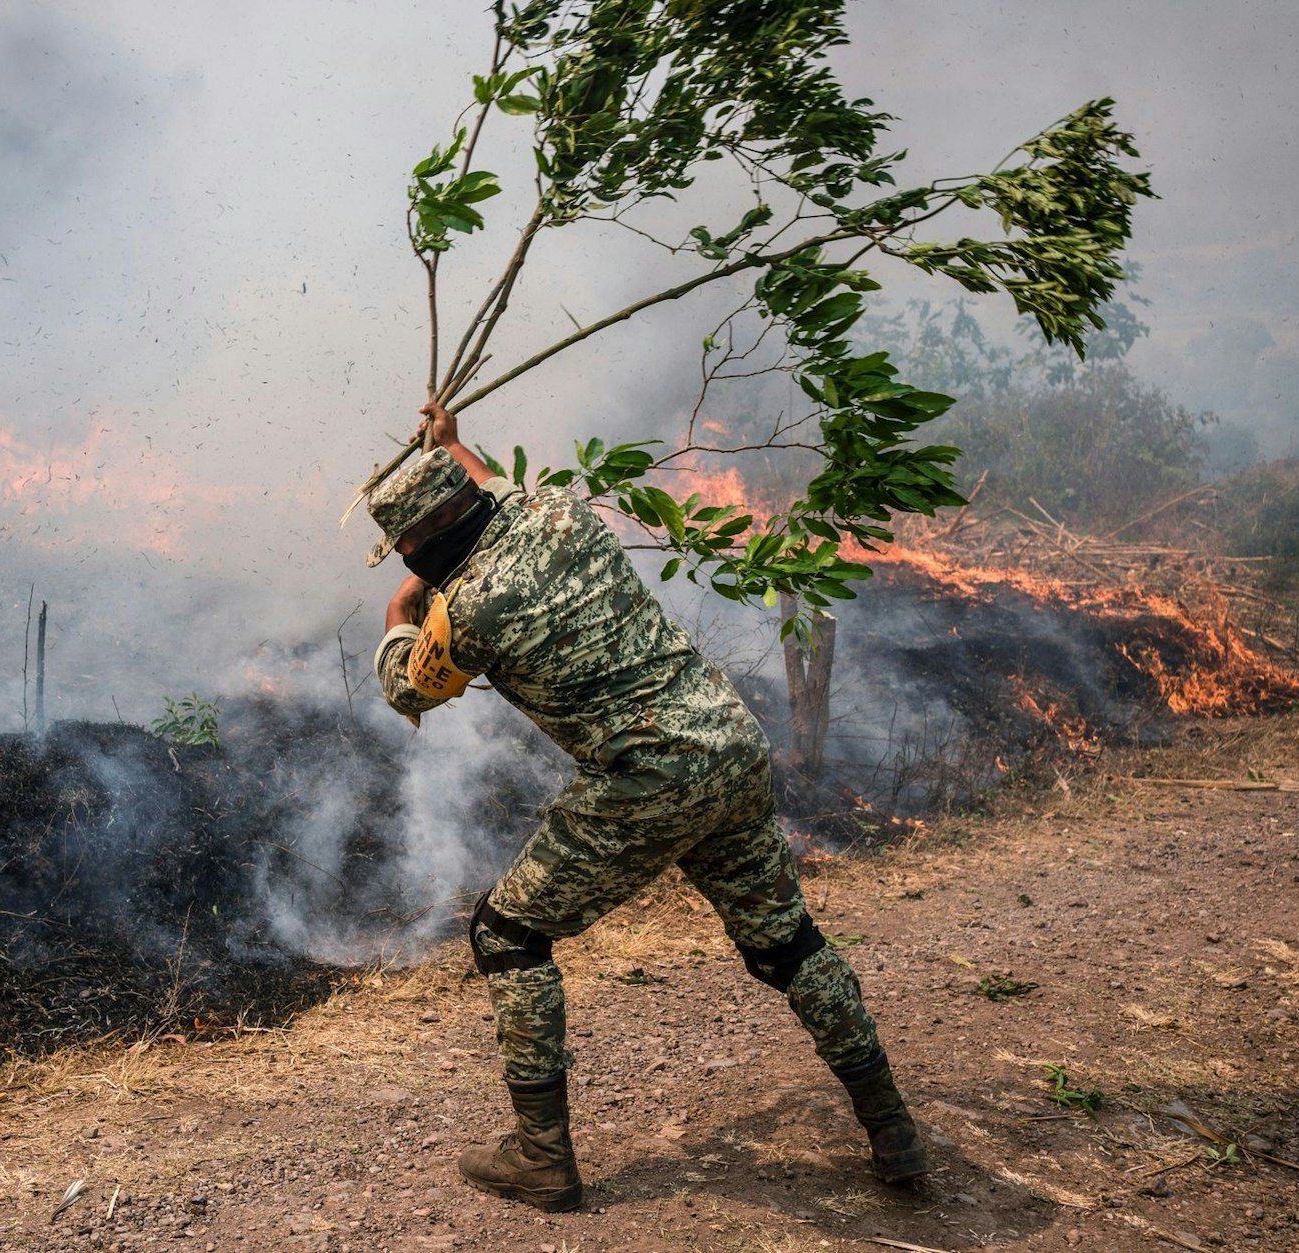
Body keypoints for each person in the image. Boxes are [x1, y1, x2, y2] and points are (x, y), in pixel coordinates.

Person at [365, 402, 930, 1213]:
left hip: (650, 776)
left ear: (417, 548)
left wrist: (396, 615)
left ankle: (542, 1157)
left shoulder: (467, 614)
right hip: (729, 741)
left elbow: (405, 688)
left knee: (507, 934)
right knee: (786, 944)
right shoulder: (555, 509)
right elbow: (496, 490)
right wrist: (452, 443)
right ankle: (893, 1129)